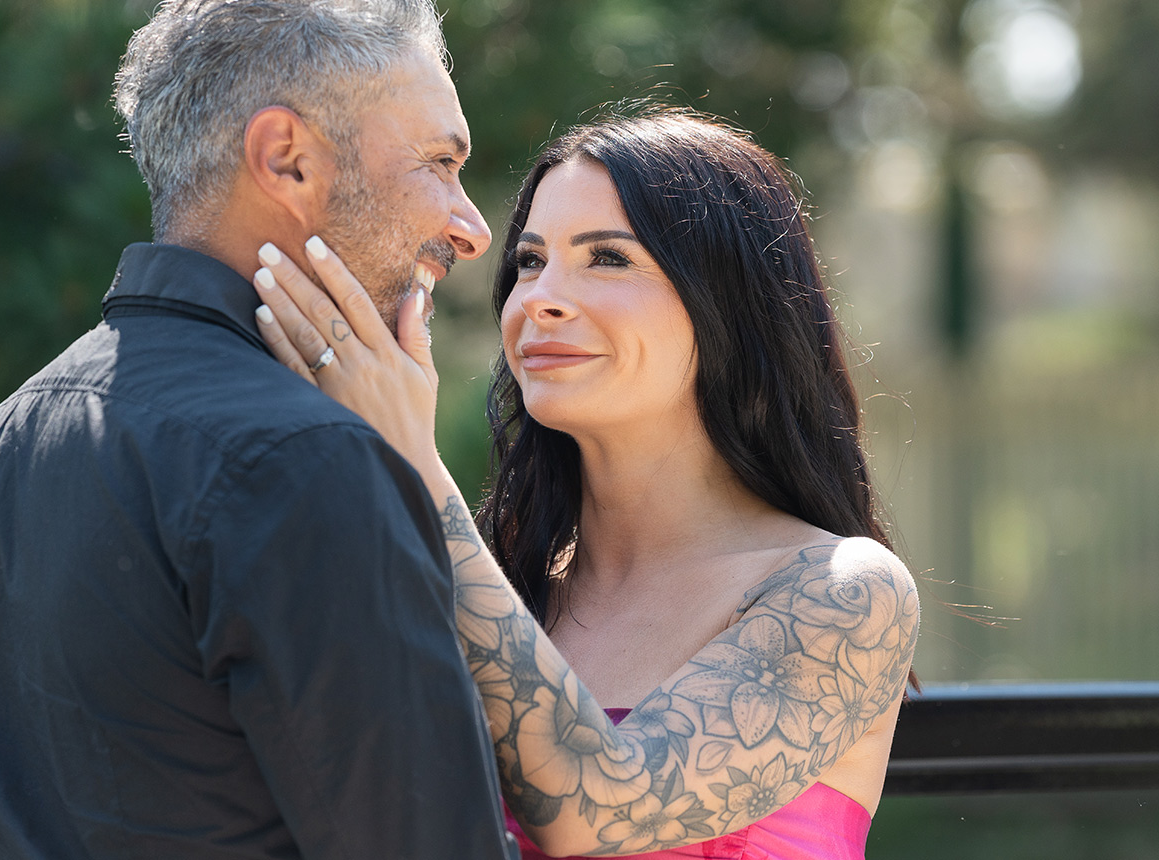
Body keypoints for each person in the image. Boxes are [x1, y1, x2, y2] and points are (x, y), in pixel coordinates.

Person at [252, 110, 920, 859]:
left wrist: (410, 462)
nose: (541, 297)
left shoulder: (844, 591)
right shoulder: (499, 582)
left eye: (607, 257)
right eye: (530, 261)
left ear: (731, 303)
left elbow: (598, 810)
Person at [0, 1, 517, 858]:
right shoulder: (304, 459)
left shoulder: (4, 435)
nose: (470, 228)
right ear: (286, 158)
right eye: (440, 163)